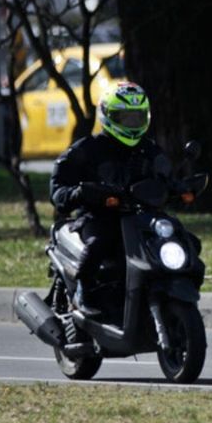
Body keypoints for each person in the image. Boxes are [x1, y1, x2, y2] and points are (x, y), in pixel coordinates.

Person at [49, 82, 171, 315]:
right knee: (99, 243)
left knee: (183, 240)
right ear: (108, 116)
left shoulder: (149, 150)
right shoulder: (88, 149)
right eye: (125, 118)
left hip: (142, 218)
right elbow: (58, 186)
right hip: (99, 217)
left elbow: (167, 176)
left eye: (137, 118)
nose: (132, 124)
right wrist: (78, 193)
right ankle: (83, 293)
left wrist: (181, 187)